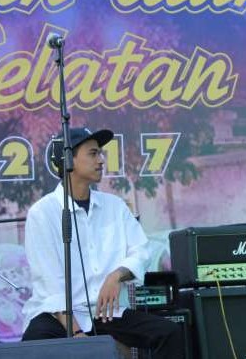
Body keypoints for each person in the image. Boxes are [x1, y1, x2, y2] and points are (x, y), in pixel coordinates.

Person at [22, 127, 184, 358]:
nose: (101, 160)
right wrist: (77, 333)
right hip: (58, 316)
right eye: (93, 154)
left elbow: (141, 251)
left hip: (107, 313)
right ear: (68, 160)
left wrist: (117, 275)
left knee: (168, 332)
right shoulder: (43, 213)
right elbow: (51, 284)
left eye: (100, 154)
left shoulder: (114, 206)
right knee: (32, 344)